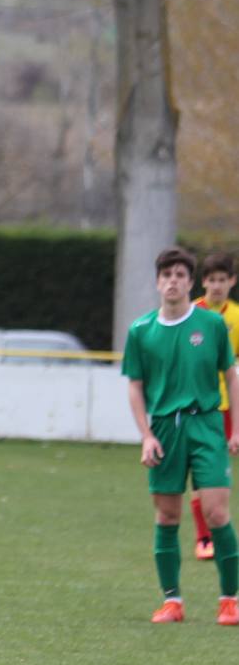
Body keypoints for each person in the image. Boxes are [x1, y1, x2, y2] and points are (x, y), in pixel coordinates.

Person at [122, 246, 239, 626]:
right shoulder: (141, 330)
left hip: (206, 424)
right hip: (164, 429)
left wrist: (236, 428)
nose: (172, 281)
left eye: (180, 275)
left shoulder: (212, 325)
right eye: (166, 275)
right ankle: (172, 602)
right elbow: (135, 386)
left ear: (191, 283)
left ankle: (230, 600)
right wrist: (145, 436)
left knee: (217, 512)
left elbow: (231, 376)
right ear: (158, 282)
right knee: (167, 514)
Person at [187, 252, 239, 560]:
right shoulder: (191, 313)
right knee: (199, 469)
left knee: (219, 473)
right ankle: (203, 537)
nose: (217, 285)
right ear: (203, 282)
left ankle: (218, 532)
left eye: (223, 279)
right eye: (212, 280)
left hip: (227, 406)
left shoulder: (237, 316)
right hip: (197, 405)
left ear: (232, 281)